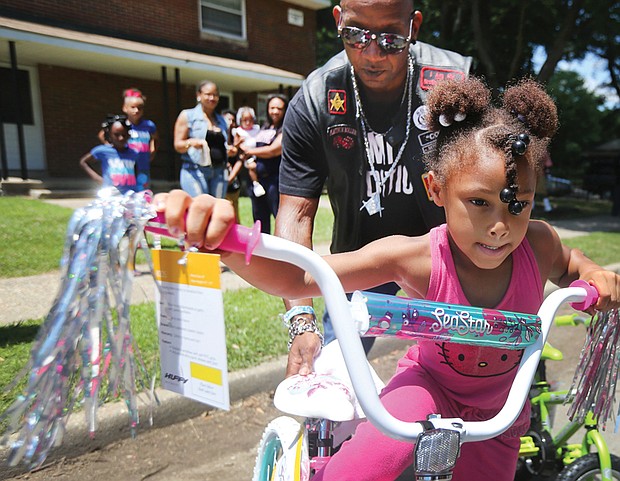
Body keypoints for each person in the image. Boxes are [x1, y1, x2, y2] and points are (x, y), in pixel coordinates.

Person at [155, 77, 620, 481]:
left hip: (501, 412)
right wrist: (227, 242)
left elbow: (571, 262)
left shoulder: (535, 244)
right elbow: (300, 276)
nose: (501, 225)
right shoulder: (416, 257)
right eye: (479, 203)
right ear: (436, 189)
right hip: (428, 388)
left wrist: (594, 274)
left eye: (518, 202)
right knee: (377, 459)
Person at [276, 0, 473, 375]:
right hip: (359, 259)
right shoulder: (318, 97)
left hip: (444, 257)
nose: (372, 52)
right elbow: (295, 211)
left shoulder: (453, 84)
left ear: (413, 26)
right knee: (332, 376)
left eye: (391, 38)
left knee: (464, 377)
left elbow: (495, 186)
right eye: (355, 34)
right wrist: (301, 318)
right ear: (337, 20)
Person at [239, 94, 288, 234]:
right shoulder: (265, 127)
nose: (275, 111)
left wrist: (250, 151)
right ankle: (262, 253)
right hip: (257, 181)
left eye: (279, 108)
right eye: (272, 108)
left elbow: (274, 150)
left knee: (279, 218)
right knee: (259, 221)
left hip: (274, 181)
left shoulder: (286, 128)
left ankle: (282, 254)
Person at [173, 80, 231, 198]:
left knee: (216, 209)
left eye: (215, 95)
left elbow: (224, 144)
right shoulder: (188, 116)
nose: (212, 98)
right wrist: (191, 143)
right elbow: (178, 145)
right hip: (195, 170)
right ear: (199, 95)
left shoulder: (222, 120)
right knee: (200, 206)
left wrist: (229, 149)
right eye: (208, 94)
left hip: (219, 171)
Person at [98, 88, 158, 191]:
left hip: (142, 163)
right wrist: (113, 149)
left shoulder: (148, 125)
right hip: (126, 163)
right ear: (125, 108)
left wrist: (152, 151)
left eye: (140, 108)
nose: (136, 110)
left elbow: (155, 138)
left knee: (143, 191)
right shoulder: (122, 125)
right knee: (126, 190)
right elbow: (102, 135)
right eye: (133, 107)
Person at [80, 114, 140, 194]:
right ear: (109, 135)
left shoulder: (133, 153)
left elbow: (135, 168)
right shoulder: (103, 151)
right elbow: (83, 162)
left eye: (124, 134)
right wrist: (98, 178)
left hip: (130, 193)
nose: (121, 138)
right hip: (111, 193)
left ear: (128, 135)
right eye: (116, 134)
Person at [233, 106, 265, 197]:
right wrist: (240, 143)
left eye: (250, 120)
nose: (248, 122)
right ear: (240, 120)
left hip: (258, 152)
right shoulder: (238, 131)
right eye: (245, 120)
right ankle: (256, 184)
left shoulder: (257, 129)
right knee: (252, 166)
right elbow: (235, 145)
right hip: (247, 155)